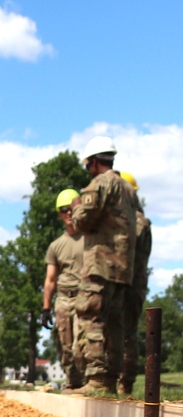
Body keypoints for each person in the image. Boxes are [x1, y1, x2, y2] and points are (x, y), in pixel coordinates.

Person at [67, 136, 136, 396]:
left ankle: (96, 380)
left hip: (101, 264)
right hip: (123, 267)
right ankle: (110, 380)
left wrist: (76, 208)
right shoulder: (127, 189)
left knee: (90, 316)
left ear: (94, 162)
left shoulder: (101, 183)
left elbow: (83, 220)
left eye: (87, 165)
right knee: (115, 323)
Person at [42, 189, 85, 389]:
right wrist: (45, 308)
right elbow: (50, 279)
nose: (68, 213)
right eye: (63, 209)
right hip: (63, 300)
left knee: (81, 345)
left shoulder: (91, 238)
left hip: (85, 297)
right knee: (66, 347)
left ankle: (88, 382)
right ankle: (73, 382)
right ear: (59, 213)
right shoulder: (56, 246)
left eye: (72, 208)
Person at [118, 171, 152, 398]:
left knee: (127, 333)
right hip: (130, 283)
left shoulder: (137, 221)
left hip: (130, 285)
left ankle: (126, 385)